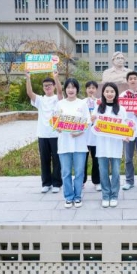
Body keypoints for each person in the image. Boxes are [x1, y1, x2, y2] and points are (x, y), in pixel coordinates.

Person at [55, 77, 90, 208]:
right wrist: (57, 127)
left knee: (80, 171)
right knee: (66, 172)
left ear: (77, 89)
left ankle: (78, 196)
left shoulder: (82, 104)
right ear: (65, 90)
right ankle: (68, 197)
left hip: (79, 144)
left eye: (73, 87)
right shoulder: (60, 104)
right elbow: (55, 122)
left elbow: (87, 122)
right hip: (64, 144)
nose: (71, 90)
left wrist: (80, 132)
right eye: (68, 87)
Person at [26, 70, 63, 193]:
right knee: (44, 159)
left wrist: (56, 78)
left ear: (53, 86)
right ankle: (46, 183)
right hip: (42, 134)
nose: (47, 87)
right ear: (43, 88)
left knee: (57, 160)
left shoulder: (57, 99)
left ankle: (57, 183)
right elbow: (29, 93)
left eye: (49, 85)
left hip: (56, 134)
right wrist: (28, 77)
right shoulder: (40, 100)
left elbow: (60, 92)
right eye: (45, 86)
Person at [95, 82, 128, 208]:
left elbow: (126, 126)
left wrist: (126, 135)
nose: (109, 94)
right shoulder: (98, 109)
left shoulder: (121, 109)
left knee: (115, 172)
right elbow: (93, 125)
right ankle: (105, 195)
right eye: (107, 91)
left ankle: (114, 195)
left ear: (116, 93)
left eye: (112, 91)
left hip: (116, 146)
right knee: (103, 172)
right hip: (102, 145)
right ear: (103, 93)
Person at [83, 80, 101, 192]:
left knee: (96, 160)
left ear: (96, 89)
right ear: (86, 89)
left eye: (93, 88)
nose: (91, 89)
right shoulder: (82, 102)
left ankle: (97, 181)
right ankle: (81, 181)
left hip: (96, 136)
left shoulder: (100, 103)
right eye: (89, 87)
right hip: (84, 136)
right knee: (82, 161)